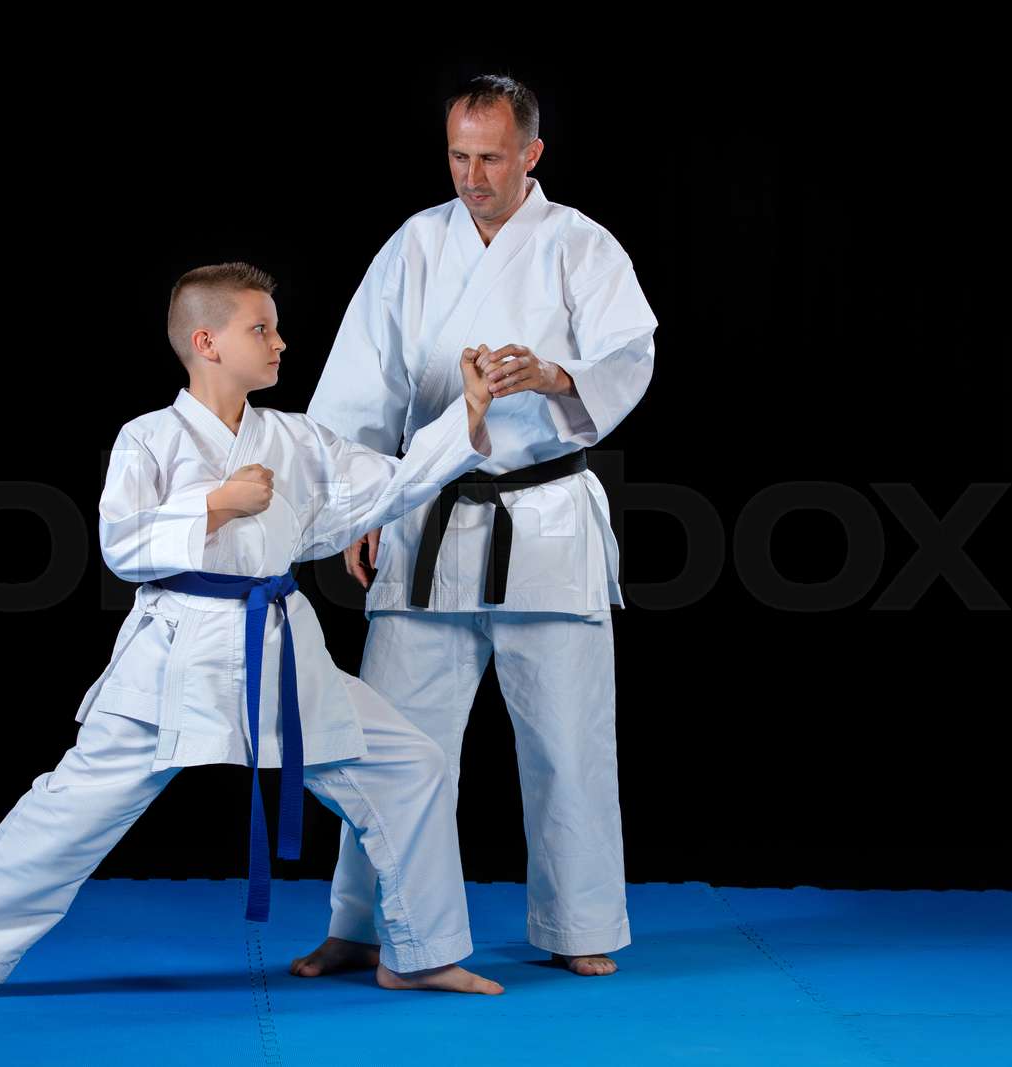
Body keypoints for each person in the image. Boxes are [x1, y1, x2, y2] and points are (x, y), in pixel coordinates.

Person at [0, 262, 507, 1005]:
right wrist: (214, 505)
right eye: (262, 328)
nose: (280, 341)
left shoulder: (297, 438)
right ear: (206, 341)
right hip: (176, 651)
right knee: (72, 805)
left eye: (276, 327)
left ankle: (420, 951)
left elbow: (388, 484)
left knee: (410, 765)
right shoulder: (147, 438)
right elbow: (121, 545)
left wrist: (466, 416)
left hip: (279, 649)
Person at [293, 75, 656, 980]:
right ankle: (363, 923)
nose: (472, 174)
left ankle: (578, 923)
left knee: (568, 737)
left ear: (532, 153)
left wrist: (558, 376)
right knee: (385, 742)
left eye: (490, 156)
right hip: (426, 514)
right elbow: (360, 383)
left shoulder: (581, 244)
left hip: (545, 513)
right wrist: (357, 505)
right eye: (458, 155)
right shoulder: (416, 244)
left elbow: (628, 355)